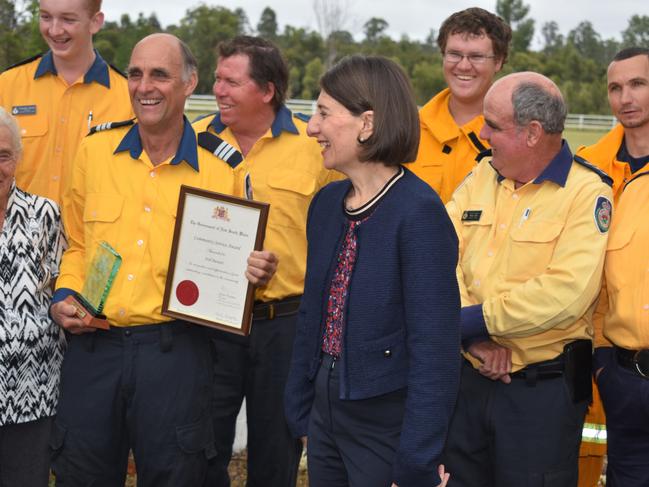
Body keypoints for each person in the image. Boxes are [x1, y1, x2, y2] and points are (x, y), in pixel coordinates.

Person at [48, 33, 276, 487]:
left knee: (178, 475)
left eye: (159, 74)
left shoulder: (222, 168)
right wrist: (64, 295)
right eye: (135, 73)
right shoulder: (94, 152)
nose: (143, 86)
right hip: (95, 347)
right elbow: (75, 243)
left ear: (190, 84)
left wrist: (255, 274)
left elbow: (237, 266)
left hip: (176, 352)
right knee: (81, 473)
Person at [284, 55, 460, 487]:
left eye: (324, 113)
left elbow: (434, 351)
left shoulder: (418, 213)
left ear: (367, 123)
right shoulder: (327, 206)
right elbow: (312, 317)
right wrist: (302, 410)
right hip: (326, 415)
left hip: (385, 426)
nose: (311, 127)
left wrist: (417, 460)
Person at [443, 72, 614, 486]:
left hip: (541, 399)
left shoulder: (587, 194)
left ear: (533, 133)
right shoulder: (482, 174)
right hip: (467, 382)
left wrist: (471, 321)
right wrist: (471, 338)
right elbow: (440, 256)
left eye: (494, 126)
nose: (482, 134)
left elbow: (565, 293)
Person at [192, 36, 340, 487]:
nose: (218, 89)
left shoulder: (314, 147)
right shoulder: (192, 140)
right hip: (206, 320)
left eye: (231, 82)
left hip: (284, 324)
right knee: (201, 449)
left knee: (276, 453)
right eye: (217, 79)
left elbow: (336, 239)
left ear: (268, 90)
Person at [581, 47, 649, 487]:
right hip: (623, 374)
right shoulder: (589, 168)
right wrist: (604, 361)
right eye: (615, 87)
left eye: (638, 84)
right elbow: (590, 274)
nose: (625, 97)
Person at [0, 0, 132, 204]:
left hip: (87, 233)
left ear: (95, 22)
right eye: (45, 17)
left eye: (68, 19)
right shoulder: (8, 85)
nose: (54, 30)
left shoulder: (128, 97)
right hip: (16, 231)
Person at [0, 107, 65, 487]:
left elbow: (61, 283)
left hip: (32, 389)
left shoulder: (45, 214)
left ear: (19, 159)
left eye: (4, 155)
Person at [408, 7, 511, 203]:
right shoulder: (409, 130)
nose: (463, 65)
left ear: (498, 62)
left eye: (476, 56)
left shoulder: (516, 135)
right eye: (454, 54)